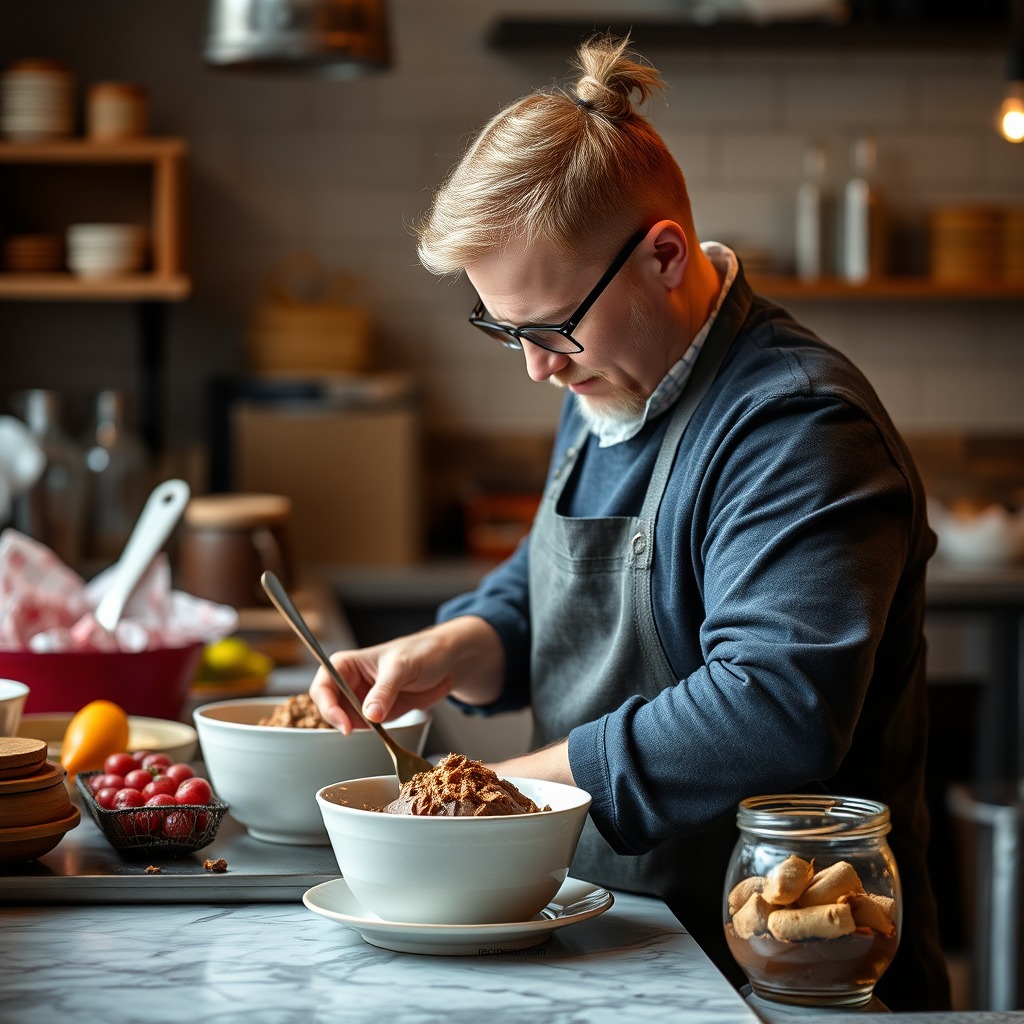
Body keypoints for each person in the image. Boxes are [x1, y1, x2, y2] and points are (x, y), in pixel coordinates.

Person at [310, 34, 950, 1010]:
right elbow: (551, 589)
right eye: (504, 330)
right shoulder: (610, 376)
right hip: (607, 941)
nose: (535, 367)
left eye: (549, 327)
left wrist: (503, 793)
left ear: (662, 255)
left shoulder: (800, 428)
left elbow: (771, 709)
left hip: (770, 975)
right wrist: (452, 646)